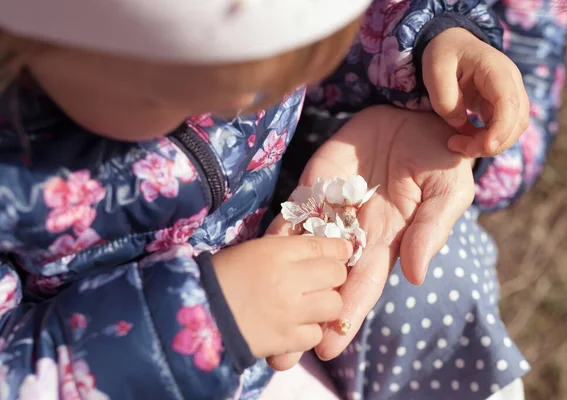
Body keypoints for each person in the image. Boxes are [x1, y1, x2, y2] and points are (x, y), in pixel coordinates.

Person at [0, 1, 532, 400]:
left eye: (279, 69)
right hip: (148, 367)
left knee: (439, 278)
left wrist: (430, 46)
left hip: (288, 265)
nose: (238, 103)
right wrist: (203, 321)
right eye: (181, 92)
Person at [266, 0, 567, 399]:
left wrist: (470, 137)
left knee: (438, 292)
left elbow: (531, 120)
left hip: (400, 177)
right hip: (267, 179)